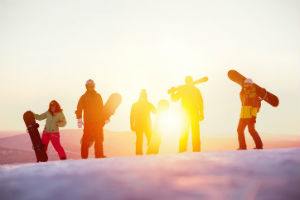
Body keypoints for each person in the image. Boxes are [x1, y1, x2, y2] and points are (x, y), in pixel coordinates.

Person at [169, 76, 204, 152]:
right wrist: (201, 113)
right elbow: (200, 103)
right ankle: (196, 151)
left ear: (186, 81)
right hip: (190, 114)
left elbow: (174, 99)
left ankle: (182, 151)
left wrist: (172, 92)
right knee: (193, 134)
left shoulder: (184, 89)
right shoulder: (195, 90)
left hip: (187, 114)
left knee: (185, 133)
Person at [75, 79, 106, 159]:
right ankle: (84, 156)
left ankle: (99, 155)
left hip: (98, 121)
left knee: (99, 138)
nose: (90, 87)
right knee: (86, 139)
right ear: (86, 87)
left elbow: (101, 108)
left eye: (91, 86)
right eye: (89, 86)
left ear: (93, 86)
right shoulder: (83, 97)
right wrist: (79, 119)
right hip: (88, 122)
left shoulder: (98, 96)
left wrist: (103, 119)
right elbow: (79, 108)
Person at [237, 79, 263, 150]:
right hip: (243, 115)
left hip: (250, 116)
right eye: (245, 83)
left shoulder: (254, 94)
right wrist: (243, 89)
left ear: (251, 84)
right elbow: (241, 97)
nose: (246, 85)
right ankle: (243, 147)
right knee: (240, 130)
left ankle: (259, 146)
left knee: (251, 130)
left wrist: (253, 117)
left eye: (248, 83)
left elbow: (255, 107)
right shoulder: (243, 93)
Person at [130, 90, 156, 155]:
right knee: (144, 139)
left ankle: (142, 153)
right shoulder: (148, 104)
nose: (144, 97)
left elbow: (131, 116)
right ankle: (149, 153)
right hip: (144, 124)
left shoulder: (136, 104)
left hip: (142, 124)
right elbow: (156, 112)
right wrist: (132, 125)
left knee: (143, 139)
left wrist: (132, 125)